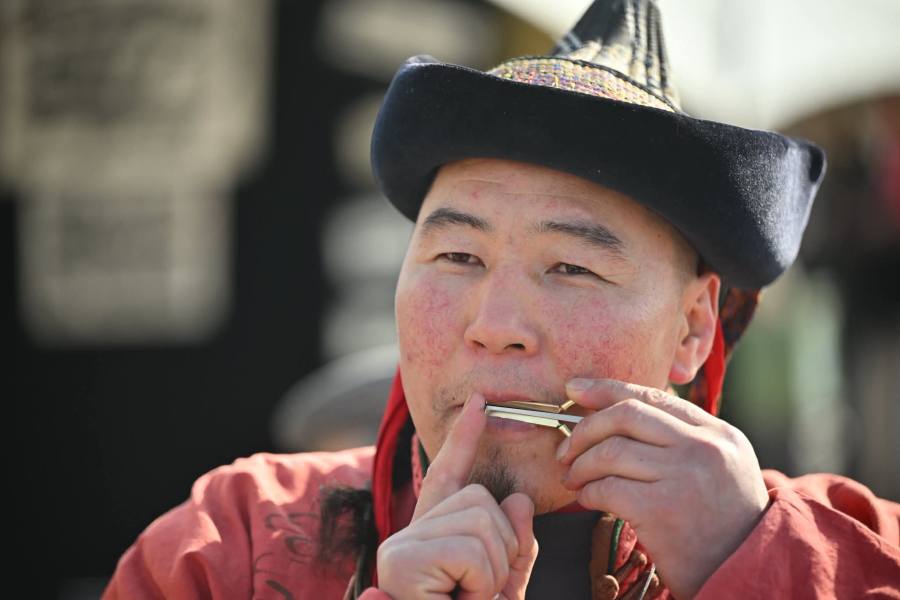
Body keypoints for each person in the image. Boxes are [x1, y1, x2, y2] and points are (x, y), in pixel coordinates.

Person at [102, 1, 900, 598]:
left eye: (571, 268)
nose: (494, 328)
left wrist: (751, 562)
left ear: (693, 327)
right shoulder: (231, 545)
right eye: (457, 256)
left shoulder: (859, 556)